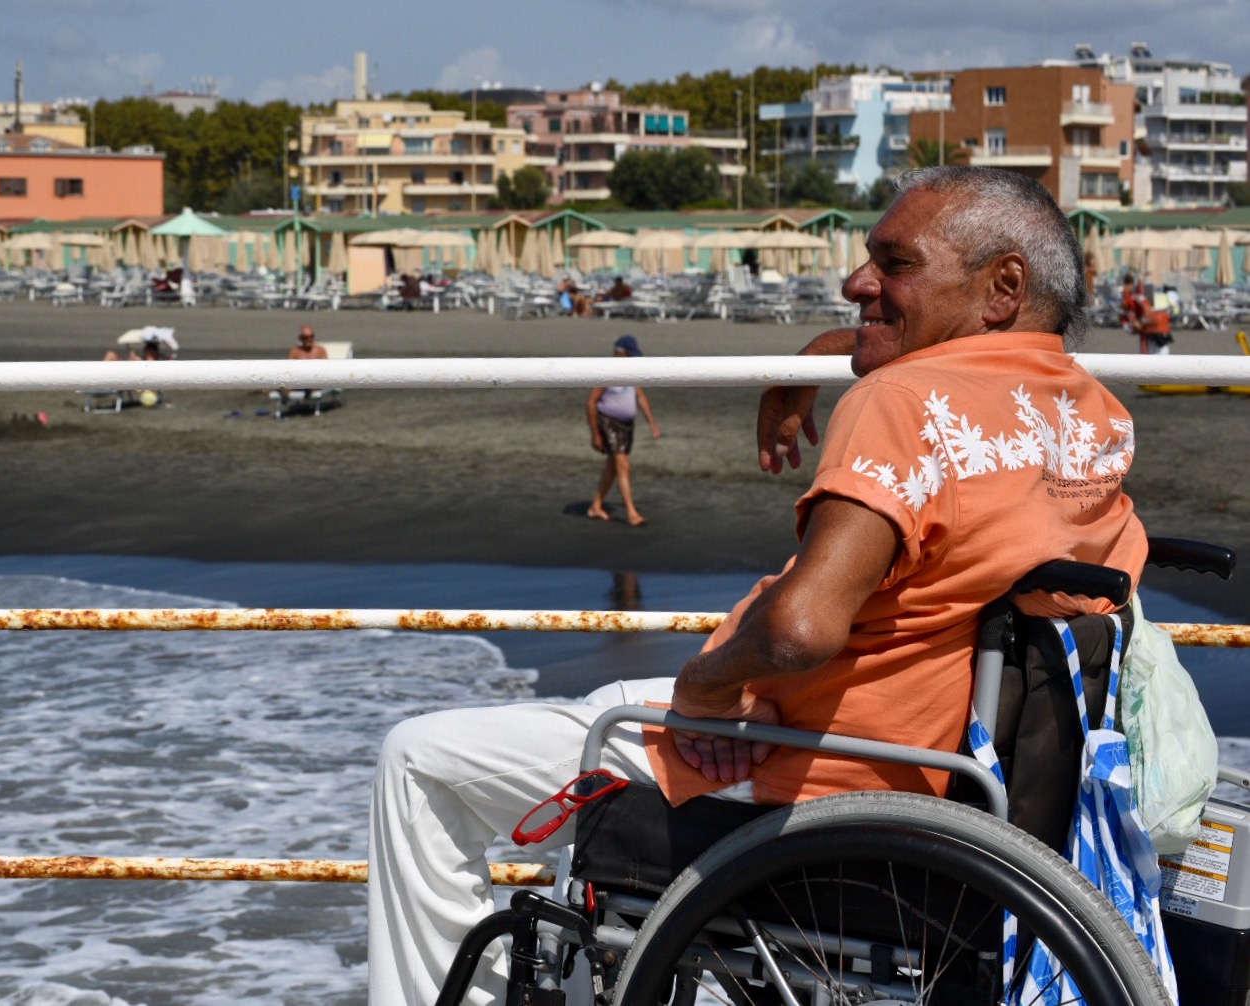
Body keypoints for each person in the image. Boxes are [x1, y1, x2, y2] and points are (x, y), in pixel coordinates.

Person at [367, 165, 1149, 1006]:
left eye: (894, 264)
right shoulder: (1096, 417)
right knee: (601, 712)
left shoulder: (904, 402)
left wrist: (706, 687)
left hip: (824, 765)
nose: (857, 281)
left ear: (1001, 287)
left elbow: (798, 632)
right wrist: (820, 352)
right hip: (970, 784)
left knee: (420, 761)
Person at [585, 334, 661, 526]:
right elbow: (591, 403)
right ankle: (631, 512)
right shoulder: (607, 373)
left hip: (627, 425)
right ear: (620, 354)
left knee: (613, 467)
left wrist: (652, 423)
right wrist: (595, 433)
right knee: (623, 465)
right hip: (609, 422)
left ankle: (596, 506)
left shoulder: (630, 372)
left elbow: (641, 396)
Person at [1120, 272, 1173, 355]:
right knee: (1153, 355)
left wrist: (1138, 324)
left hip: (1155, 330)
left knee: (1153, 355)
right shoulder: (1135, 298)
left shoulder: (1134, 298)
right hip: (1155, 329)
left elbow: (1145, 312)